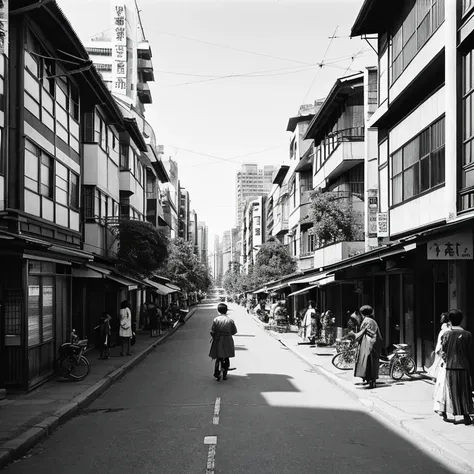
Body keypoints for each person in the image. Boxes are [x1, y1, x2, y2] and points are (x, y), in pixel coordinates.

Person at [438, 309, 474, 425]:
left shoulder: (446, 334)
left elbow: (443, 352)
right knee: (465, 392)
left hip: (451, 367)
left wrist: (445, 360)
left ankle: (455, 415)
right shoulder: (467, 334)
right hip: (464, 367)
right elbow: (470, 352)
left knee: (453, 392)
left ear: (450, 320)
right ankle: (466, 415)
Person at [351, 305, 382, 389]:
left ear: (362, 313)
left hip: (368, 345)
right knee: (370, 362)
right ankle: (370, 380)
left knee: (369, 363)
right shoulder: (371, 320)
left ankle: (371, 381)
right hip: (371, 344)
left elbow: (365, 333)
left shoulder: (367, 321)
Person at [209, 303, 237, 381]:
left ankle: (216, 373)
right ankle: (225, 374)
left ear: (218, 311)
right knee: (226, 356)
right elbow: (234, 331)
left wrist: (214, 336)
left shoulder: (216, 320)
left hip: (218, 340)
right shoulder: (230, 320)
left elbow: (212, 331)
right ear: (226, 310)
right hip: (228, 340)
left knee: (218, 357)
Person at [428, 312, 450, 380]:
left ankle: (436, 376)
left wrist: (438, 349)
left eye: (443, 317)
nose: (441, 319)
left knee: (439, 363)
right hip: (441, 348)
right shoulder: (446, 329)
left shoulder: (445, 330)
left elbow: (441, 341)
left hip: (441, 348)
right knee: (438, 363)